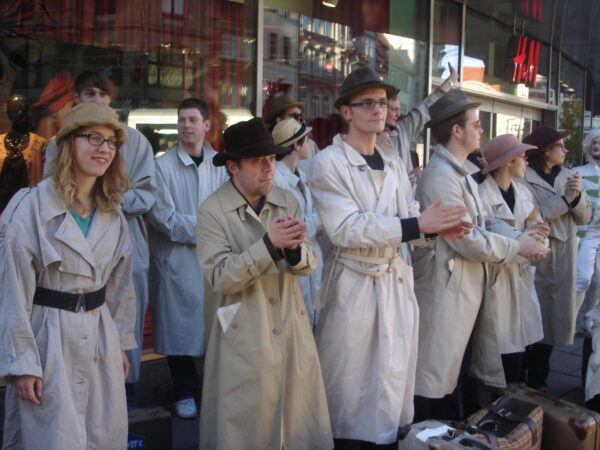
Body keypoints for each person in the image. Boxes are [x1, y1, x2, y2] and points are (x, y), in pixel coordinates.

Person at [309, 67, 471, 448]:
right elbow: (346, 227)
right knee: (349, 391)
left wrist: (435, 229)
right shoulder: (328, 162)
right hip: (355, 287)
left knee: (390, 386)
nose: (377, 110)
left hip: (396, 283)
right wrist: (417, 225)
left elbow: (409, 213)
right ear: (345, 112)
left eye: (382, 103)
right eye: (367, 103)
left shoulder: (394, 160)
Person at [0, 102, 136, 449]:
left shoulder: (113, 213)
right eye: (93, 138)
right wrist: (22, 362)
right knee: (52, 435)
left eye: (111, 142)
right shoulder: (30, 206)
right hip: (48, 339)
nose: (104, 148)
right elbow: (12, 289)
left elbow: (120, 288)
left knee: (100, 433)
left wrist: (120, 343)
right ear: (67, 143)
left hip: (100, 337)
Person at [196, 118, 332, 449]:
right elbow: (219, 276)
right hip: (243, 337)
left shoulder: (287, 200)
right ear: (233, 167)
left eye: (271, 159)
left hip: (290, 330)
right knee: (244, 430)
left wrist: (296, 252)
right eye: (257, 161)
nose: (269, 168)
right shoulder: (211, 212)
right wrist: (268, 246)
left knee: (296, 426)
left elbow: (311, 262)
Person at [412, 89, 548, 421]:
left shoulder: (459, 173)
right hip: (446, 293)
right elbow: (467, 239)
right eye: (476, 124)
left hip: (461, 290)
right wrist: (518, 246)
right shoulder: (441, 176)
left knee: (451, 379)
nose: (481, 130)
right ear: (456, 130)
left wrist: (521, 237)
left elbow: (483, 223)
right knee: (435, 384)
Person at [43, 70, 156, 406]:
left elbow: (148, 194)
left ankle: (125, 392)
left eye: (103, 94)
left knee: (123, 313)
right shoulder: (59, 142)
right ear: (76, 98)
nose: (97, 100)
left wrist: (108, 198)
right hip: (70, 242)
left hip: (125, 239)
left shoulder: (134, 141)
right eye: (90, 94)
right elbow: (51, 192)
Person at [147, 98, 227, 418]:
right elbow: (164, 219)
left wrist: (218, 231)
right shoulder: (162, 167)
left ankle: (215, 389)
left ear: (207, 125)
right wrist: (211, 229)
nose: (185, 125)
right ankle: (183, 390)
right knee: (180, 328)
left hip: (214, 260)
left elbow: (230, 208)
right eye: (182, 119)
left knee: (217, 327)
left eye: (192, 120)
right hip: (177, 261)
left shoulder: (221, 164)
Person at [521, 125, 592, 390]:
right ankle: (519, 379)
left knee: (553, 320)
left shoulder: (568, 176)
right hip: (535, 256)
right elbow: (532, 216)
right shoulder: (523, 177)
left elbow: (585, 216)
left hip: (563, 258)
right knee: (529, 319)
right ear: (545, 151)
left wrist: (576, 198)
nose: (565, 151)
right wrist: (565, 199)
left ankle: (539, 379)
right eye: (560, 146)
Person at [477, 134, 549, 384]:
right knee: (494, 354)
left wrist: (538, 242)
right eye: (522, 157)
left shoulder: (524, 193)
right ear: (508, 161)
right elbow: (487, 239)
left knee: (518, 348)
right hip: (495, 280)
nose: (526, 162)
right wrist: (526, 243)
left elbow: (540, 229)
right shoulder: (481, 196)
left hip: (520, 279)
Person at [272, 118, 322, 328]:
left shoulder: (300, 174)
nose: (310, 144)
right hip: (292, 265)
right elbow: (292, 230)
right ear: (296, 145)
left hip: (308, 262)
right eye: (306, 139)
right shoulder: (276, 180)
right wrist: (320, 220)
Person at [0, 93, 46, 211]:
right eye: (12, 110)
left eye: (20, 110)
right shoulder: (0, 142)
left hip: (28, 208)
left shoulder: (39, 143)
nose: (15, 114)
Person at [573, 129, 600, 330]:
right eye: (594, 142)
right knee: (582, 277)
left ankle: (590, 322)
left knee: (598, 281)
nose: (596, 146)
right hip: (586, 232)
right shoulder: (579, 173)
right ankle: (570, 320)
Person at [264, 93, 320, 176]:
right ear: (279, 120)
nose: (300, 120)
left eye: (301, 116)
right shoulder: (265, 149)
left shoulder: (310, 144)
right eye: (296, 116)